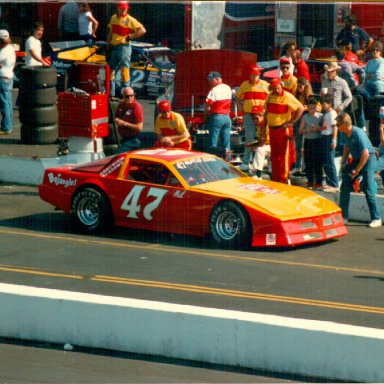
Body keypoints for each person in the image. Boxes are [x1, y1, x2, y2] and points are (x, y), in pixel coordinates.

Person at [337, 113, 382, 228]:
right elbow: (347, 147)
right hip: (358, 159)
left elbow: (365, 154)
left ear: (344, 124)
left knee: (367, 187)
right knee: (345, 184)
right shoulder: (344, 133)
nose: (336, 125)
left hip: (369, 158)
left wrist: (356, 170)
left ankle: (376, 218)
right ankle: (344, 217)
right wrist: (344, 161)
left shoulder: (358, 133)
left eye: (338, 124)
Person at [265, 78, 304, 184]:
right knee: (274, 155)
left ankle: (283, 180)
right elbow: (266, 112)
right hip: (272, 130)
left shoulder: (287, 96)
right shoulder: (269, 97)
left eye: (277, 88)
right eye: (274, 88)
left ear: (280, 86)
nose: (276, 90)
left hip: (283, 129)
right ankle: (276, 179)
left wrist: (292, 122)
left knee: (283, 156)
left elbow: (300, 108)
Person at [107, 0, 146, 97]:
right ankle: (111, 93)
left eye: (125, 9)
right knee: (110, 69)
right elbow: (111, 32)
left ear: (127, 8)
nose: (123, 10)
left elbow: (142, 30)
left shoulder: (130, 20)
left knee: (124, 69)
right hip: (114, 46)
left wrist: (130, 37)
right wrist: (108, 43)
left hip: (124, 46)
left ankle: (127, 93)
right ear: (118, 8)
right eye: (121, 8)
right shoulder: (113, 18)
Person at [235, 64, 269, 171]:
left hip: (261, 115)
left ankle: (263, 160)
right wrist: (242, 108)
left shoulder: (265, 85)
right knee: (249, 138)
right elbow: (237, 97)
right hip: (249, 115)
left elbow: (271, 97)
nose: (255, 77)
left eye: (256, 75)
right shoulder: (244, 85)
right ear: (249, 75)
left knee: (264, 138)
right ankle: (246, 162)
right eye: (253, 75)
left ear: (259, 75)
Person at [291, 76, 315, 175]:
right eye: (298, 85)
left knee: (305, 146)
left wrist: (306, 108)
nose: (299, 87)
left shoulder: (310, 97)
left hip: (306, 122)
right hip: (297, 122)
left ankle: (305, 167)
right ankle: (297, 166)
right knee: (298, 145)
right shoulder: (295, 95)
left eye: (301, 85)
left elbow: (317, 108)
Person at [298, 96, 323, 189]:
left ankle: (318, 182)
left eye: (314, 108)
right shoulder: (305, 117)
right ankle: (310, 181)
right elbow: (300, 130)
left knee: (318, 162)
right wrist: (307, 130)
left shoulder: (320, 116)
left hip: (317, 140)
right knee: (308, 162)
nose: (312, 110)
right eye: (311, 108)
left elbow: (324, 129)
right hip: (308, 140)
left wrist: (317, 128)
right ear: (308, 108)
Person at [205, 71, 232, 152]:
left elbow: (208, 106)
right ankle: (228, 159)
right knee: (226, 142)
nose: (210, 82)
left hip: (217, 117)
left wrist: (206, 116)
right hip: (227, 117)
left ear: (217, 79)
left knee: (213, 141)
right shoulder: (228, 87)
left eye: (211, 80)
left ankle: (213, 159)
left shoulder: (214, 90)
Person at [114, 87, 143, 154]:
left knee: (116, 155)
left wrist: (124, 123)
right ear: (123, 96)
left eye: (131, 96)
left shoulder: (137, 107)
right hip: (123, 138)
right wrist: (117, 120)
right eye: (127, 96)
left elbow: (139, 128)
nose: (130, 98)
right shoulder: (121, 104)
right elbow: (116, 116)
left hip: (133, 139)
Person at [320, 94, 339, 192]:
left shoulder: (332, 114)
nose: (323, 105)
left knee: (330, 161)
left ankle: (334, 184)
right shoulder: (326, 113)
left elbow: (335, 127)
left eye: (324, 104)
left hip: (329, 137)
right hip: (324, 136)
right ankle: (329, 182)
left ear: (330, 104)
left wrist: (334, 140)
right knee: (326, 162)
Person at [248, 105, 270, 179]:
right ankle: (258, 170)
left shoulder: (266, 124)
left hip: (277, 145)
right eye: (253, 117)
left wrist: (255, 146)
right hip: (269, 145)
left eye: (256, 117)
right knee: (256, 148)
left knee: (260, 149)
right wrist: (253, 144)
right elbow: (261, 139)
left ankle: (258, 174)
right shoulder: (259, 125)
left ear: (261, 115)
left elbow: (263, 141)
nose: (254, 120)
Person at [0, 29, 16, 135]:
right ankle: (8, 125)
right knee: (8, 102)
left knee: (4, 102)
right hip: (10, 74)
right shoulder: (10, 48)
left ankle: (6, 126)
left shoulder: (3, 51)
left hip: (3, 76)